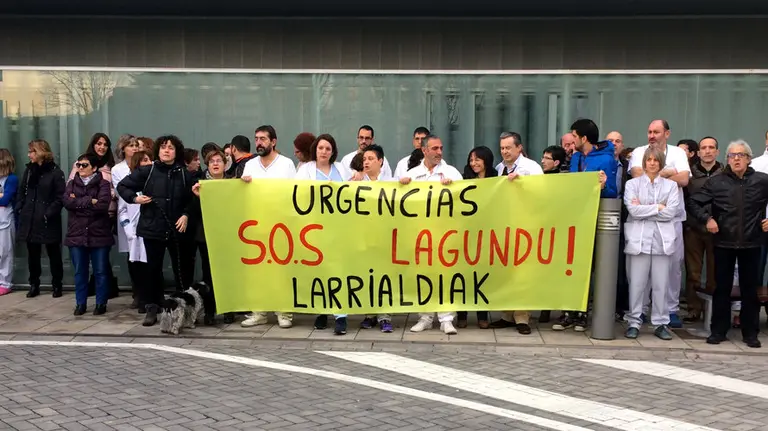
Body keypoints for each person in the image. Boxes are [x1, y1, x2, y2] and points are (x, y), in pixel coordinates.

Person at [688, 139, 768, 348]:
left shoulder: (761, 181)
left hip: (752, 242)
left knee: (750, 290)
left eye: (741, 155)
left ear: (749, 159)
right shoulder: (717, 182)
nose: (736, 159)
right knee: (721, 289)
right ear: (728, 159)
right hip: (724, 242)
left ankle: (750, 333)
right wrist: (707, 219)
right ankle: (718, 331)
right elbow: (694, 202)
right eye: (732, 155)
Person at [117, 135, 198, 327]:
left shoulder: (184, 174)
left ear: (176, 152)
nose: (166, 150)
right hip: (152, 228)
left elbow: (193, 198)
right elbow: (123, 186)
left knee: (182, 272)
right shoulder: (148, 171)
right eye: (163, 147)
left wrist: (186, 214)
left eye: (170, 148)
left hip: (177, 229)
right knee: (152, 270)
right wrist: (134, 198)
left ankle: (183, 310)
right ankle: (152, 308)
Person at [400, 134, 463, 335]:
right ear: (424, 150)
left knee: (445, 274)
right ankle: (425, 317)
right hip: (420, 233)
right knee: (423, 275)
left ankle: (446, 318)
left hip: (445, 232)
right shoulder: (413, 174)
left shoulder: (451, 172)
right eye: (435, 148)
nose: (439, 152)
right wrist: (402, 185)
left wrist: (454, 188)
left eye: (441, 148)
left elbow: (464, 199)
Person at [239, 125, 298, 329]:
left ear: (273, 141)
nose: (259, 143)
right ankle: (259, 312)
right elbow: (242, 196)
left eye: (263, 139)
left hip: (280, 225)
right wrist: (242, 185)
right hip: (256, 225)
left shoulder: (286, 164)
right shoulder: (250, 165)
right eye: (256, 138)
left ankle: (284, 312)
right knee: (257, 271)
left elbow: (294, 193)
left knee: (281, 270)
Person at [295, 134, 351, 334]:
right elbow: (295, 194)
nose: (324, 152)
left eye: (328, 148)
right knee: (319, 271)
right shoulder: (305, 170)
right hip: (315, 230)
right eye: (321, 148)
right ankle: (322, 311)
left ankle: (341, 315)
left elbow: (354, 191)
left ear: (333, 151)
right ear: (315, 150)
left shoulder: (342, 169)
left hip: (339, 230)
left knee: (339, 271)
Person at [622, 147, 679, 340]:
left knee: (661, 284)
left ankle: (661, 323)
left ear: (661, 163)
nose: (652, 163)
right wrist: (658, 207)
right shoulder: (632, 184)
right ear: (644, 162)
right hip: (638, 239)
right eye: (649, 160)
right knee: (637, 284)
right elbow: (633, 211)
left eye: (656, 160)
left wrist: (644, 209)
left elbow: (670, 213)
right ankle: (634, 321)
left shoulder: (671, 186)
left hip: (662, 241)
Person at [63, 153, 115, 316]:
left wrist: (79, 202)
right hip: (76, 233)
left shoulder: (103, 184)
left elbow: (102, 205)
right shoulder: (71, 184)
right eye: (78, 165)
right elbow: (67, 202)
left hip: (99, 233)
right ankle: (80, 303)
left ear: (94, 168)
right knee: (80, 271)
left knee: (100, 271)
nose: (80, 168)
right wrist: (90, 200)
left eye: (84, 165)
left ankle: (101, 302)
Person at [16, 139, 66, 299]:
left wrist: (48, 213)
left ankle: (57, 284)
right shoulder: (29, 170)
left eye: (32, 151)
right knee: (33, 254)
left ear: (41, 152)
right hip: (30, 217)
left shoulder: (55, 172)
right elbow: (22, 190)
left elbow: (60, 197)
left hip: (47, 218)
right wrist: (21, 206)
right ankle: (34, 284)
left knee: (53, 252)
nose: (29, 155)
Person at [457, 146, 496, 329]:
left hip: (487, 233)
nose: (473, 164)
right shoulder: (464, 178)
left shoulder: (497, 178)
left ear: (486, 160)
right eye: (471, 160)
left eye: (477, 160)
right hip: (466, 233)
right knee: (463, 274)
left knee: (483, 275)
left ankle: (482, 315)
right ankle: (462, 314)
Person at [192, 148, 227, 325]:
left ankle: (228, 309)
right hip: (206, 236)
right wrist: (198, 197)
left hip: (227, 235)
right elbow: (193, 212)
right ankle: (210, 311)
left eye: (218, 161)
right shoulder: (200, 184)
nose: (215, 164)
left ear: (225, 164)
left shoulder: (233, 183)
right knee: (209, 274)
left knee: (227, 273)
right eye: (212, 161)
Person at [111, 136, 142, 308]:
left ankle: (148, 292)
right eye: (131, 145)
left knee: (147, 255)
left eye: (136, 145)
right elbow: (121, 191)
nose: (134, 148)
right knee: (132, 255)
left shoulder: (145, 164)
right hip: (127, 212)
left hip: (145, 212)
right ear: (123, 149)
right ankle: (136, 291)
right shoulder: (117, 169)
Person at [123, 150, 152, 314]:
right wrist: (128, 230)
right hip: (133, 233)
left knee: (151, 266)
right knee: (136, 266)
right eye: (144, 160)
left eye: (149, 160)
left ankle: (151, 299)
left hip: (149, 230)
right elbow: (122, 211)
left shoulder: (154, 182)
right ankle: (140, 296)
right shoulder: (128, 183)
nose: (148, 163)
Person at [0, 149, 18, 295]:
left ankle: (5, 282)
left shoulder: (11, 179)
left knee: (5, 252)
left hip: (5, 219)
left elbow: (5, 200)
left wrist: (2, 196)